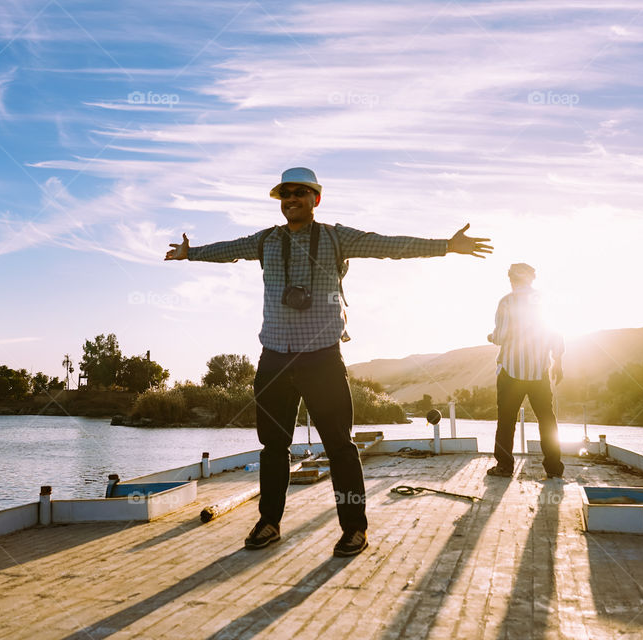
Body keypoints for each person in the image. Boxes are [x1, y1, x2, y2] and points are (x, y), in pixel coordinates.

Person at [166, 167, 492, 556]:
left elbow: (390, 245)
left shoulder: (337, 239)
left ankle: (354, 529)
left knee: (339, 446)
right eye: (285, 194)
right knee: (273, 447)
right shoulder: (266, 240)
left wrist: (445, 246)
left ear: (315, 199)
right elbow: (228, 250)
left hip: (321, 357)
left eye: (300, 193)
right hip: (274, 357)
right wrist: (191, 254)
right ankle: (269, 523)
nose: (291, 200)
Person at [486, 263, 565, 479]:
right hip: (539, 371)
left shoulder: (507, 302)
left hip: (511, 371)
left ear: (511, 279)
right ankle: (554, 467)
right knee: (546, 419)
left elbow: (501, 337)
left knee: (506, 420)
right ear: (531, 279)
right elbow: (555, 335)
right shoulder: (544, 300)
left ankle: (504, 467)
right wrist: (557, 361)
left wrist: (491, 337)